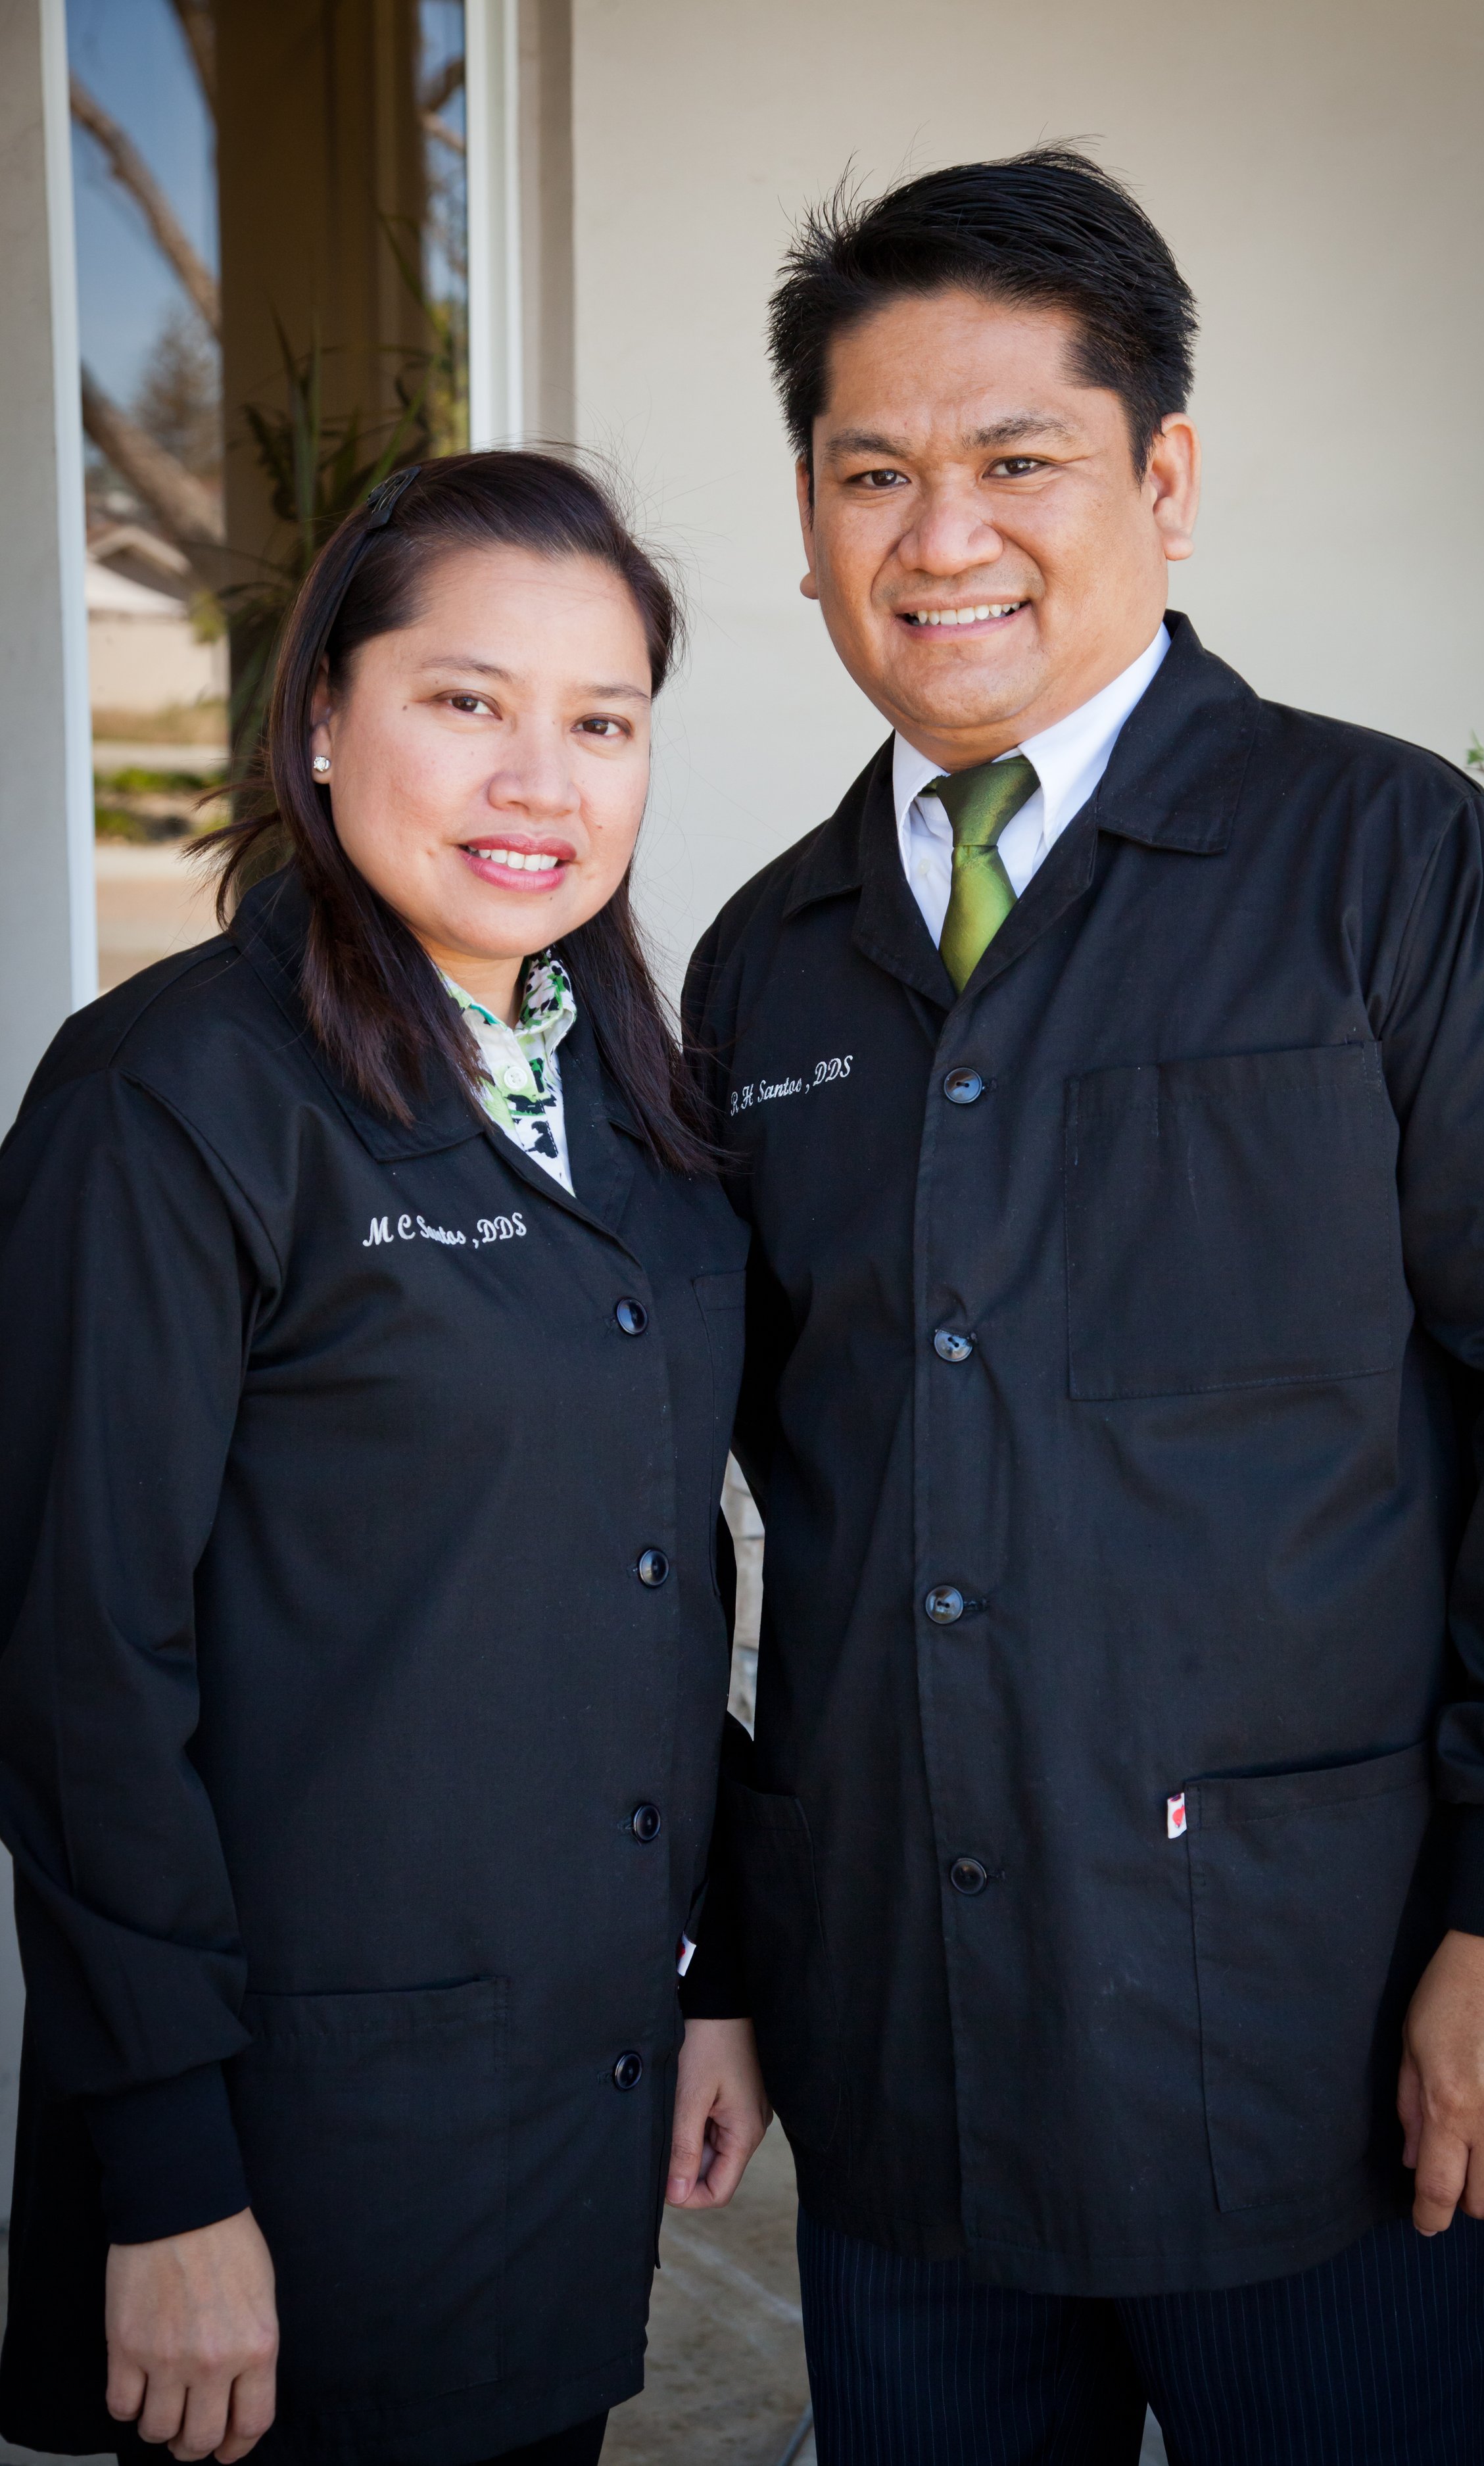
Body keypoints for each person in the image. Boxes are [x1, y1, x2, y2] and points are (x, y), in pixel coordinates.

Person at [681, 150, 1484, 2463]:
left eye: (1018, 462)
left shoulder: (1399, 870)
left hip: (1322, 2040)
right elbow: (681, 1482)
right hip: (907, 2059)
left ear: (1164, 477)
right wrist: (724, 1949)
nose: (942, 539)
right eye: (872, 473)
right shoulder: (761, 963)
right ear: (807, 511)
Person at [0, 450, 767, 2466]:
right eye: (466, 701)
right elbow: (82, 1676)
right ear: (324, 717)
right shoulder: (171, 1105)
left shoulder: (635, 1103)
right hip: (294, 2129)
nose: (544, 781)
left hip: (569, 2069)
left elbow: (659, 1575)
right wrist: (166, 2178)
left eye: (600, 722)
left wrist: (713, 1968)